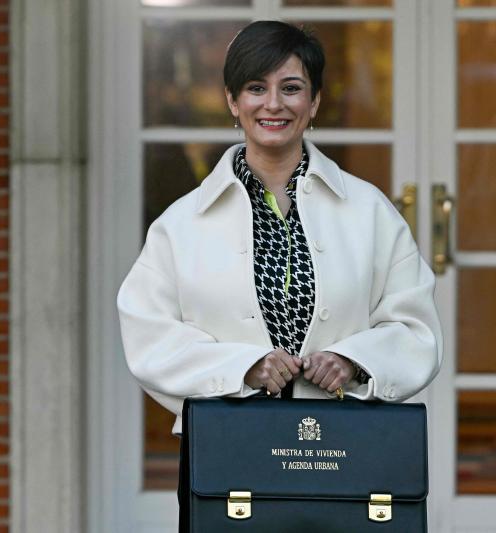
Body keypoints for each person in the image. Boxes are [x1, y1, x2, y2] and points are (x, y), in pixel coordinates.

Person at [117, 21, 442, 438]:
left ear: (315, 101)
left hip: (345, 447)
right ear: (233, 102)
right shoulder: (180, 225)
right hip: (226, 447)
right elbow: (149, 337)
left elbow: (418, 331)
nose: (273, 104)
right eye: (256, 88)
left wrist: (353, 360)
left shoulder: (370, 211)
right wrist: (243, 368)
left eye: (291, 88)